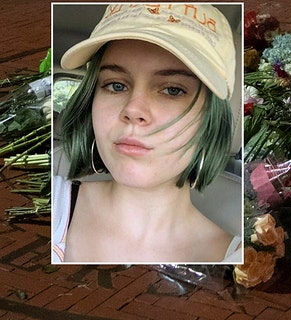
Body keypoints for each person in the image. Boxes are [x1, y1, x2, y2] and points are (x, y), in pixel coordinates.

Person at [51, 3, 242, 264]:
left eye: (173, 90)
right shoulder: (47, 203)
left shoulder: (245, 263)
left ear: (212, 118)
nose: (133, 110)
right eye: (116, 85)